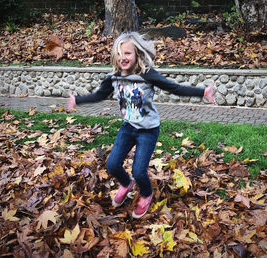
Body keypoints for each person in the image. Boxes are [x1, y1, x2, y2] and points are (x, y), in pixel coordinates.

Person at [67, 32, 215, 219]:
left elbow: (174, 88)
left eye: (127, 53)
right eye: (119, 53)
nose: (123, 57)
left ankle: (146, 194)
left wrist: (202, 92)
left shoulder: (147, 75)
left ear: (137, 54)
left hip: (148, 130)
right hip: (128, 127)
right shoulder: (113, 77)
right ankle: (126, 183)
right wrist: (77, 100)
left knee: (139, 170)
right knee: (112, 164)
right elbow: (99, 95)